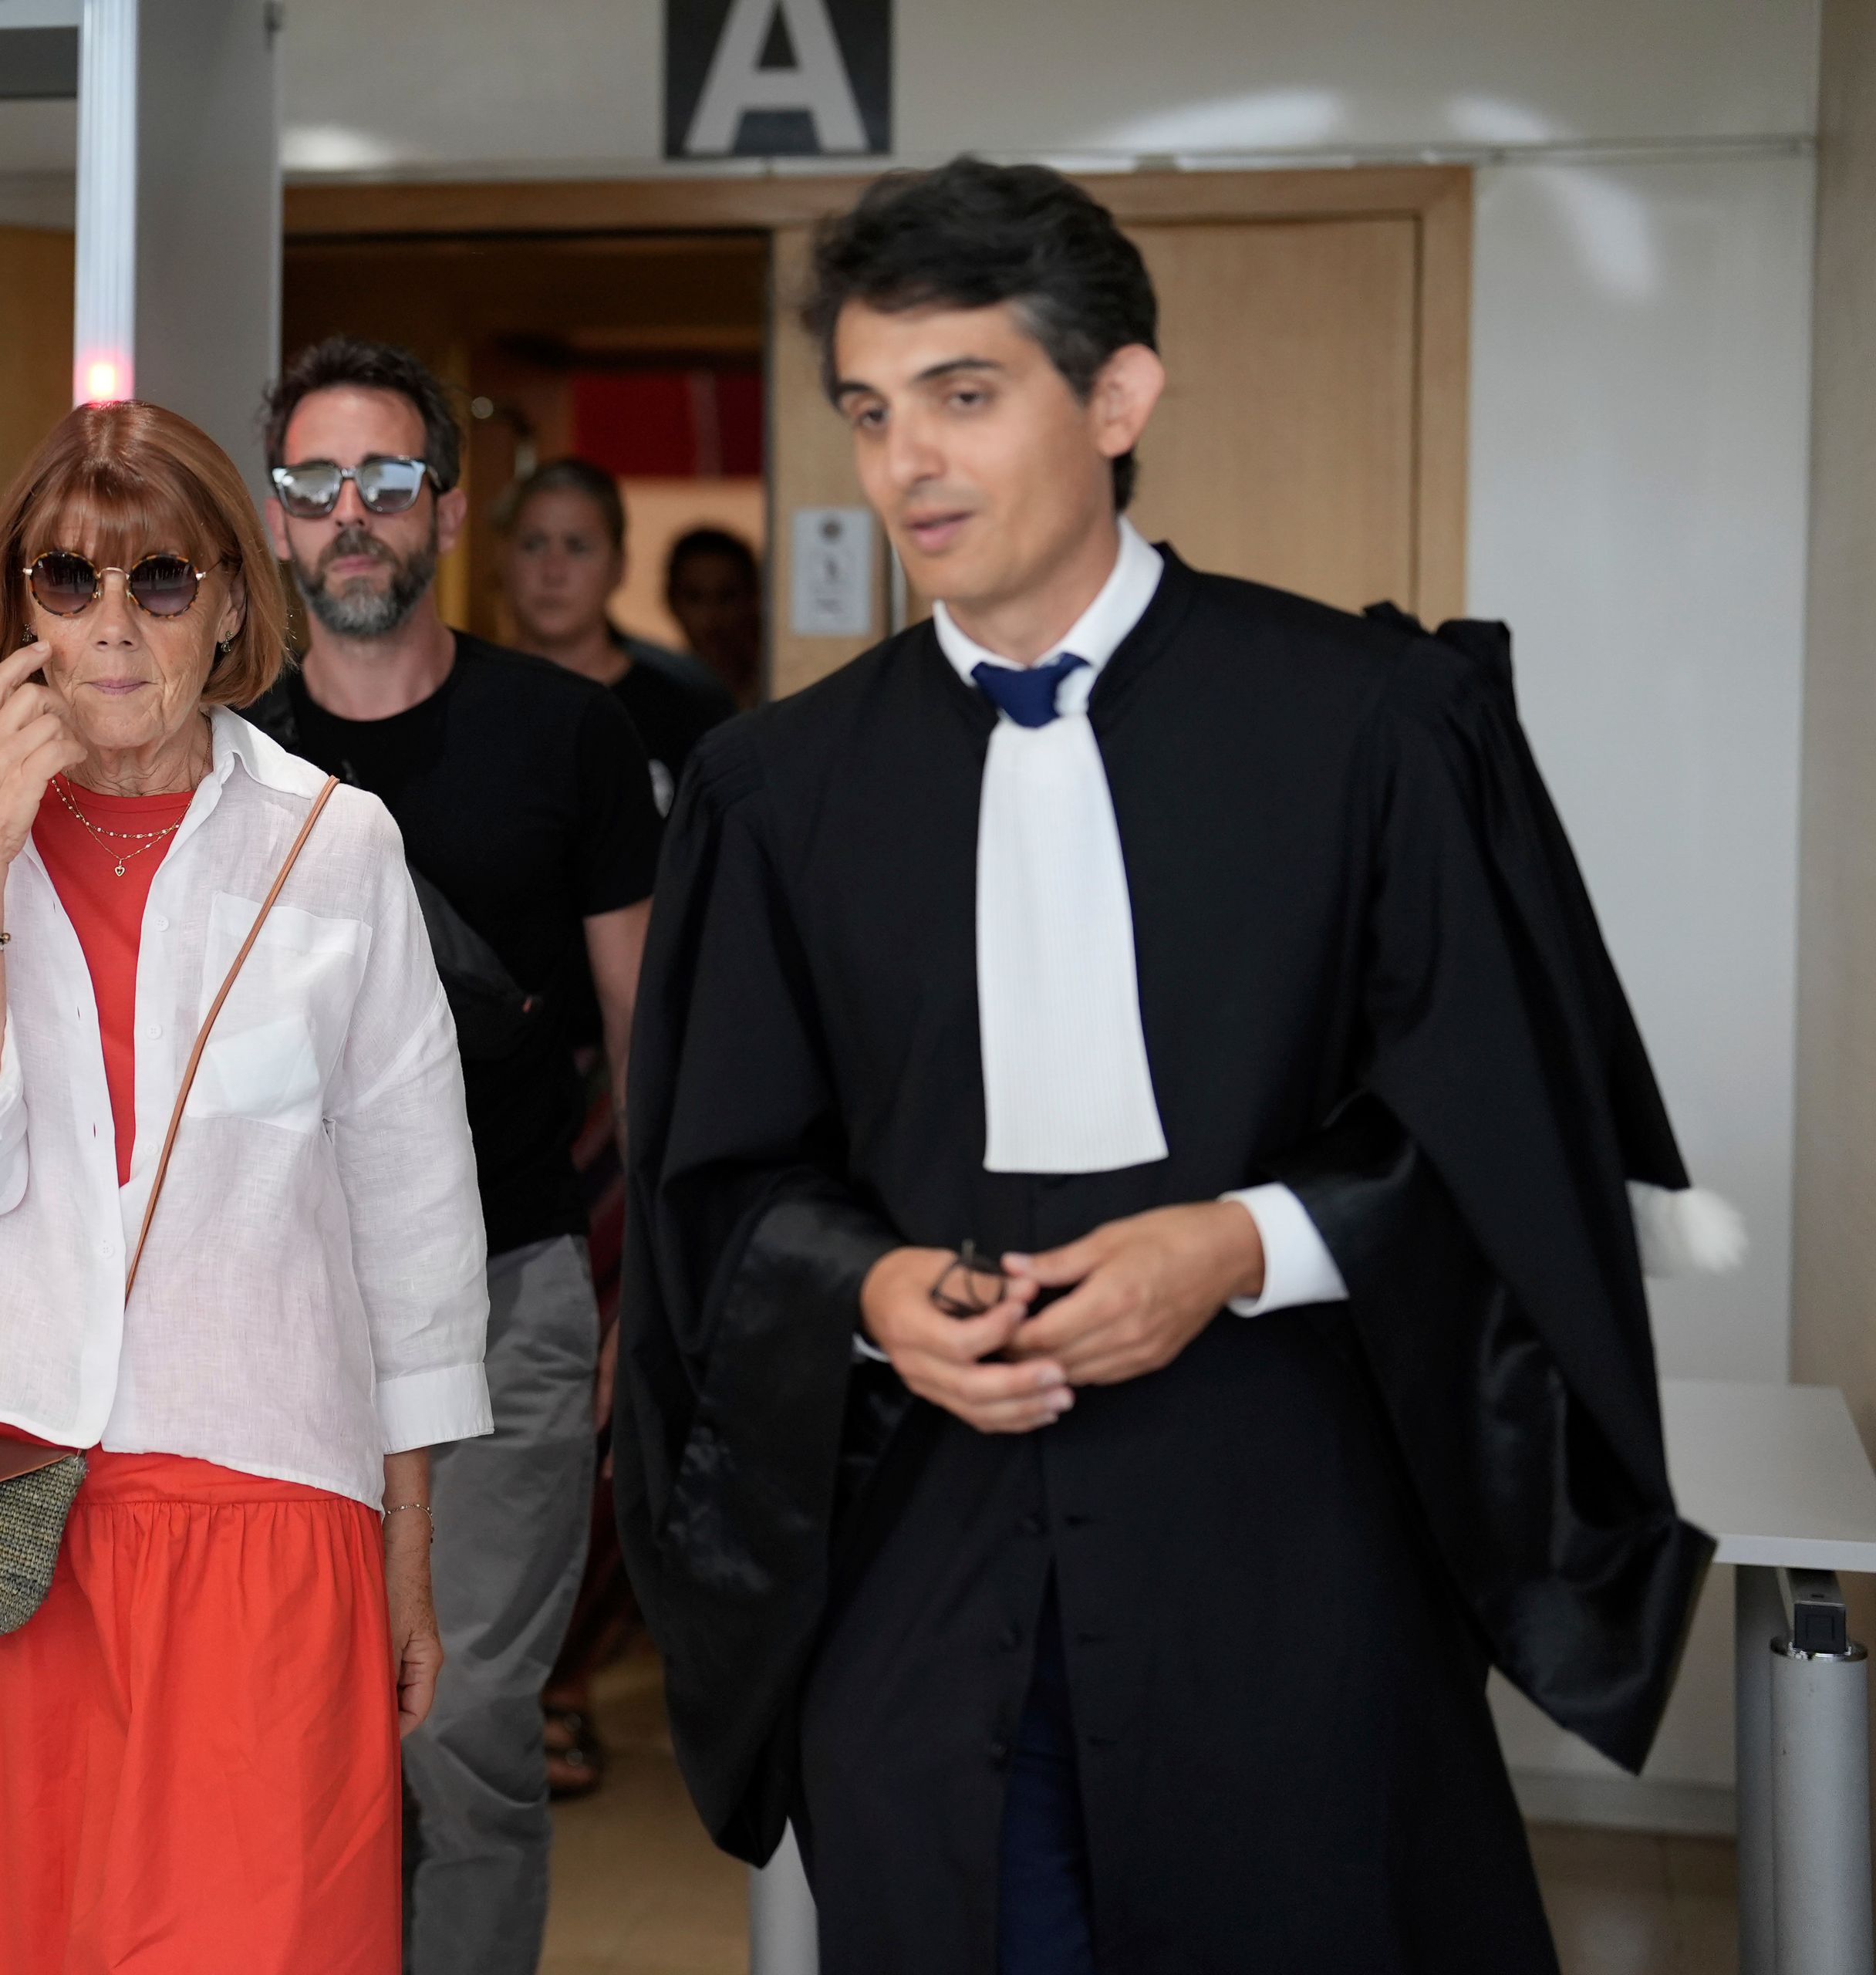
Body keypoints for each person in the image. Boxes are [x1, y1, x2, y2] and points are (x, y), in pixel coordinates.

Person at [616, 160, 1720, 1973]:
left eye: (964, 395)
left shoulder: (1371, 725)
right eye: (870, 412)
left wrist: (1237, 1242)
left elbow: (1507, 1118)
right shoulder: (773, 789)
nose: (908, 463)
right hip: (926, 1521)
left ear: (1114, 397)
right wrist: (877, 1286)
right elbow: (714, 1183)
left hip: (1283, 1511)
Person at [0, 400, 491, 1975]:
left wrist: (410, 1546)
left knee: (266, 1939)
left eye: (160, 584)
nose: (111, 630)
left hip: (263, 1490)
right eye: (67, 583)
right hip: (4, 1501)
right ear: (19, 608)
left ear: (236, 604)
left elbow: (414, 1211)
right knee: (29, 1939)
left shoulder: (336, 843)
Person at [245, 336, 662, 1975]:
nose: (354, 515)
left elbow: (649, 1043)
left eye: (388, 481)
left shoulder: (567, 735)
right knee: (302, 1735)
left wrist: (643, 1291)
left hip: (510, 1297)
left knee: (468, 1726)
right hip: (275, 1324)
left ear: (447, 506)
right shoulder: (229, 759)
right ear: (278, 520)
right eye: (317, 485)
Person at [500, 456, 738, 813]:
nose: (553, 571)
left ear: (618, 567)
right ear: (503, 559)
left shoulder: (686, 708)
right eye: (534, 544)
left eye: (577, 547)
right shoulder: (461, 703)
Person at [663, 525, 764, 707]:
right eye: (694, 597)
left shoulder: (779, 686)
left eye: (727, 596)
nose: (712, 615)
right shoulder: (658, 696)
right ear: (671, 601)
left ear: (752, 598)